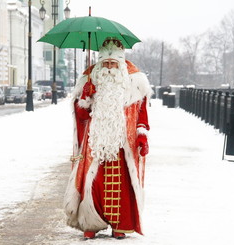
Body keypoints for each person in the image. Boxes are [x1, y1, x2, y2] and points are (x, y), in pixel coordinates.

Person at [64, 37, 153, 240]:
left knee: (121, 186)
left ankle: (119, 224)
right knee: (93, 183)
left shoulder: (135, 81)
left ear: (120, 63)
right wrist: (85, 98)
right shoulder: (90, 78)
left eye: (114, 64)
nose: (110, 68)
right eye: (106, 63)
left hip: (122, 144)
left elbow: (142, 115)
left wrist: (142, 136)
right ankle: (90, 224)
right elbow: (81, 117)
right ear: (101, 63)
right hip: (95, 143)